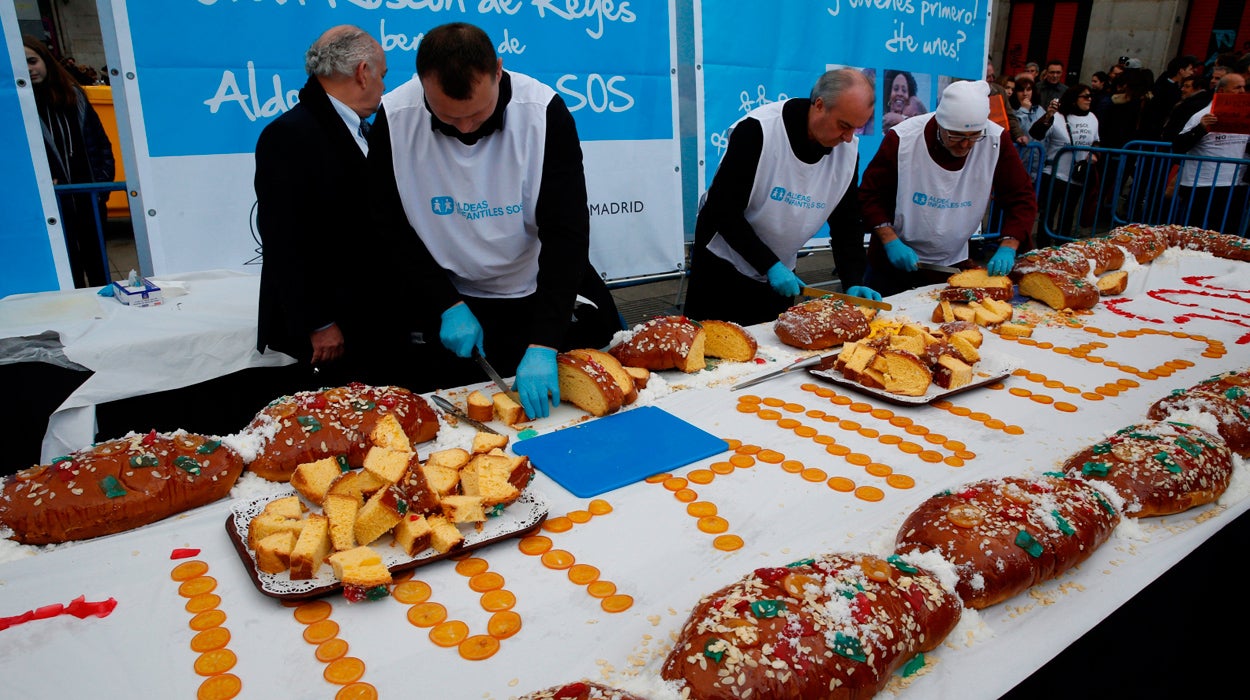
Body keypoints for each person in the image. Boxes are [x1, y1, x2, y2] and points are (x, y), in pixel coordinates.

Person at [370, 22, 619, 420]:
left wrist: (543, 343)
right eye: (448, 117)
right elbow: (390, 227)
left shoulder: (543, 113)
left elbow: (566, 235)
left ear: (498, 70)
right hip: (453, 298)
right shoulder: (394, 118)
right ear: (422, 85)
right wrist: (445, 303)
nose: (466, 128)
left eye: (477, 113)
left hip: (534, 289)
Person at [254, 26, 417, 392]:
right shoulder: (289, 136)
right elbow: (283, 240)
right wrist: (318, 322)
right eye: (383, 75)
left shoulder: (365, 130)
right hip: (335, 329)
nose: (384, 87)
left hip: (373, 317)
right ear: (363, 72)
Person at [683, 69, 881, 326]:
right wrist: (769, 265)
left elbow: (846, 222)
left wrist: (854, 279)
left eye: (857, 128)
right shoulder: (758, 131)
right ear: (819, 105)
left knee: (773, 350)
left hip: (779, 269)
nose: (848, 137)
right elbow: (723, 210)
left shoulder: (847, 150)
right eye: (843, 125)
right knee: (711, 346)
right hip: (723, 263)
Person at [859, 80, 1038, 296]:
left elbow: (1021, 196)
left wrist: (1010, 244)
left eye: (973, 138)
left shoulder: (994, 140)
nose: (965, 145)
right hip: (894, 261)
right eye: (956, 136)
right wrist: (889, 240)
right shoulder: (903, 139)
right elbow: (870, 195)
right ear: (939, 124)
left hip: (951, 262)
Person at [23, 35, 115, 288]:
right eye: (21, 64)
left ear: (46, 61)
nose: (29, 69)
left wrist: (101, 185)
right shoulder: (18, 106)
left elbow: (102, 144)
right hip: (53, 205)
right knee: (68, 269)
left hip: (89, 199)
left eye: (32, 60)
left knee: (99, 269)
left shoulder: (75, 97)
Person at [1171, 72, 1249, 236]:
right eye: (1237, 88)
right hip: (1202, 185)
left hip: (1235, 185)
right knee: (1197, 234)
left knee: (1228, 235)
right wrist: (1200, 129)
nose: (1242, 91)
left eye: (1244, 87)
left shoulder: (1246, 118)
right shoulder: (1200, 116)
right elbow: (1178, 146)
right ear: (1221, 91)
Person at [1030, 84, 1100, 243]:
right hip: (1054, 174)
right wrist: (1048, 115)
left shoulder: (1092, 118)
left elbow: (1096, 141)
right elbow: (1036, 133)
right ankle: (1043, 246)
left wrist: (1094, 154)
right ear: (1074, 100)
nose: (1089, 99)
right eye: (1085, 96)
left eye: (1090, 96)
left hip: (1077, 175)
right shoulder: (1059, 117)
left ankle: (1062, 248)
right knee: (1048, 212)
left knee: (1068, 214)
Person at [1140, 55, 1201, 140]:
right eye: (1190, 69)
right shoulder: (1165, 90)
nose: (1192, 72)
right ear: (1181, 71)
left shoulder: (1171, 86)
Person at [1010, 75, 1045, 141]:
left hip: (1037, 150)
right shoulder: (1011, 110)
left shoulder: (1039, 110)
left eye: (1028, 89)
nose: (1025, 93)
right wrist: (1024, 110)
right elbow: (1016, 132)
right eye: (1021, 90)